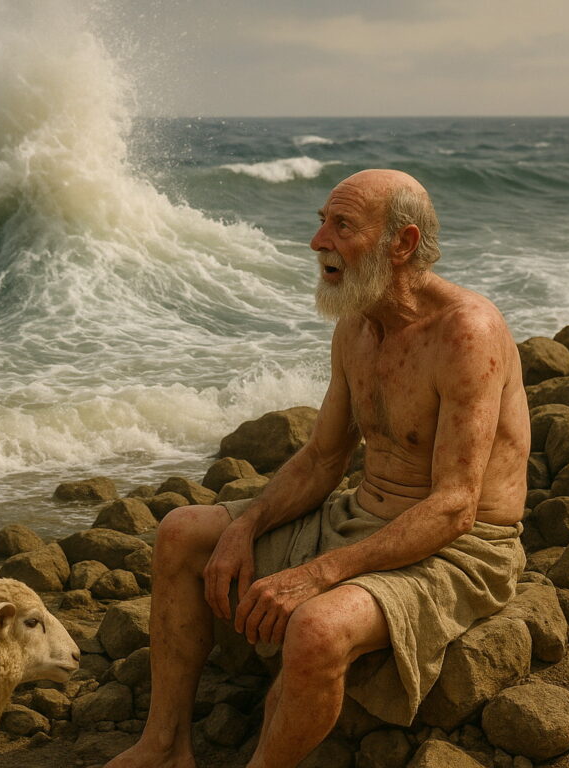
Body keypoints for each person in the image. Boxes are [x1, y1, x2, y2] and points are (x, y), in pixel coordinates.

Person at [106, 169, 530, 768]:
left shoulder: (467, 332)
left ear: (402, 244)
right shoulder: (356, 324)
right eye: (321, 222)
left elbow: (456, 506)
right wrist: (244, 526)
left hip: (459, 552)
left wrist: (317, 576)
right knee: (180, 532)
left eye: (342, 226)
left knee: (316, 628)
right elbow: (323, 458)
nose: (317, 242)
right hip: (361, 519)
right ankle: (164, 744)